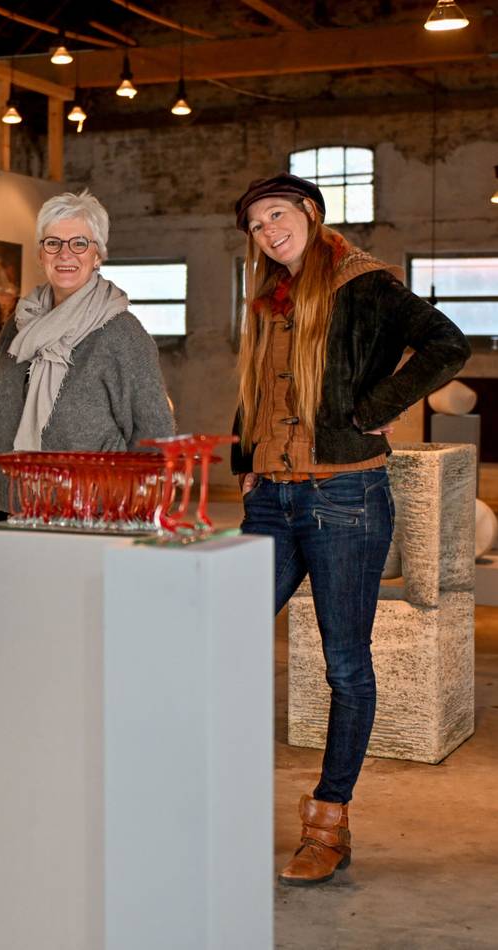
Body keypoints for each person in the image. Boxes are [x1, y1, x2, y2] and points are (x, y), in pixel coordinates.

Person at [232, 173, 470, 886]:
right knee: (219, 632)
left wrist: (374, 408)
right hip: (271, 500)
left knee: (344, 665)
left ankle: (328, 820)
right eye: (254, 224)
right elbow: (258, 384)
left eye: (276, 215)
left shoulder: (363, 284)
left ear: (308, 211)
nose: (268, 231)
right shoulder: (268, 296)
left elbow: (446, 344)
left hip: (346, 499)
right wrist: (245, 458)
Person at [0, 189, 174, 517]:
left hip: (88, 510)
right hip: (2, 502)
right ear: (41, 255)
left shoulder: (122, 333)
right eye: (53, 243)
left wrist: (138, 510)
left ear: (98, 255)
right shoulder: (18, 325)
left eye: (79, 243)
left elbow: (155, 436)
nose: (65, 254)